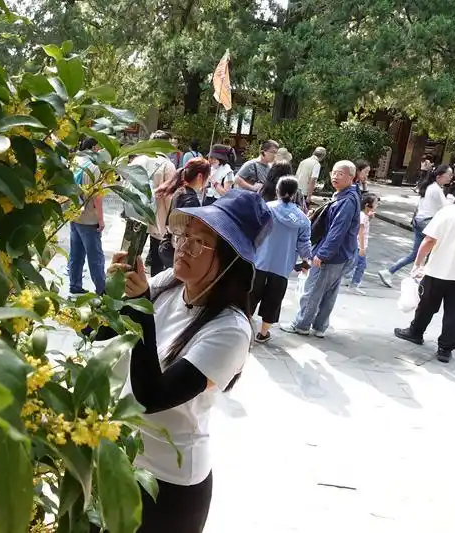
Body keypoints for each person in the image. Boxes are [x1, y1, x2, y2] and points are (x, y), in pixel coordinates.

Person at [107, 189, 271, 533]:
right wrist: (116, 292)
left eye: (200, 242)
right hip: (117, 458)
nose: (183, 247)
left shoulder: (230, 330)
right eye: (184, 236)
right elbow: (107, 336)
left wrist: (141, 308)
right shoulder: (169, 284)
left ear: (230, 260)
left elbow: (153, 397)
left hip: (168, 485)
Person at [281, 160, 360, 337]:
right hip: (343, 254)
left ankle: (301, 324)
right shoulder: (347, 195)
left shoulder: (347, 200)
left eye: (340, 174)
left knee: (314, 289)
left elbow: (337, 230)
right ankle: (319, 326)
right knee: (329, 292)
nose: (335, 177)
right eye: (333, 172)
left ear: (350, 177)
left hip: (333, 255)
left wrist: (323, 254)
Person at [394, 183, 455, 363]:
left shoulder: (449, 212)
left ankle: (416, 332)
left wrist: (418, 264)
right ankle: (445, 349)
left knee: (427, 305)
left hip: (438, 270)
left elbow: (429, 240)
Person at [251, 177, 311, 343]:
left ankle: (245, 328)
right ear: (294, 194)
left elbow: (253, 231)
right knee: (273, 301)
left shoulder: (266, 208)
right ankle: (263, 333)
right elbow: (304, 245)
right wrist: (307, 261)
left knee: (250, 296)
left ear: (277, 191)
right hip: (282, 267)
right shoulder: (302, 219)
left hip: (259, 262)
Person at [378, 164, 455, 287]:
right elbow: (446, 208)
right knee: (431, 252)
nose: (451, 177)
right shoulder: (436, 189)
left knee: (417, 253)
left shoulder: (429, 186)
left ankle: (391, 272)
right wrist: (451, 198)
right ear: (440, 176)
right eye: (449, 175)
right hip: (427, 223)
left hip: (420, 221)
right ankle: (420, 278)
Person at [133, 131, 178, 276]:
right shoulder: (167, 165)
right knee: (157, 256)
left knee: (132, 253)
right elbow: (169, 197)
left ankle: (128, 284)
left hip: (136, 213)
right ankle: (153, 289)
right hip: (158, 216)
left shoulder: (137, 160)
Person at [159, 158, 213, 269]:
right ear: (200, 177)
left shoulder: (180, 190)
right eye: (208, 177)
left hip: (166, 245)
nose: (208, 181)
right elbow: (186, 232)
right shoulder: (191, 200)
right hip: (175, 249)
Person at [68, 137, 106, 295]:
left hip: (73, 214)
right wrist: (101, 218)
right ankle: (102, 290)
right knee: (95, 256)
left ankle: (74, 284)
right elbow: (97, 196)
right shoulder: (93, 166)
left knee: (75, 253)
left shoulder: (74, 161)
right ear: (95, 147)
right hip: (89, 218)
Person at [345, 193, 379, 295]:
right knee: (360, 265)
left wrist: (370, 217)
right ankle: (353, 284)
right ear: (367, 205)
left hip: (357, 245)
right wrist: (362, 248)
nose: (377, 206)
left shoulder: (363, 215)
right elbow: (360, 233)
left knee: (353, 264)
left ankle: (350, 282)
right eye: (375, 204)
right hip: (359, 246)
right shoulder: (363, 217)